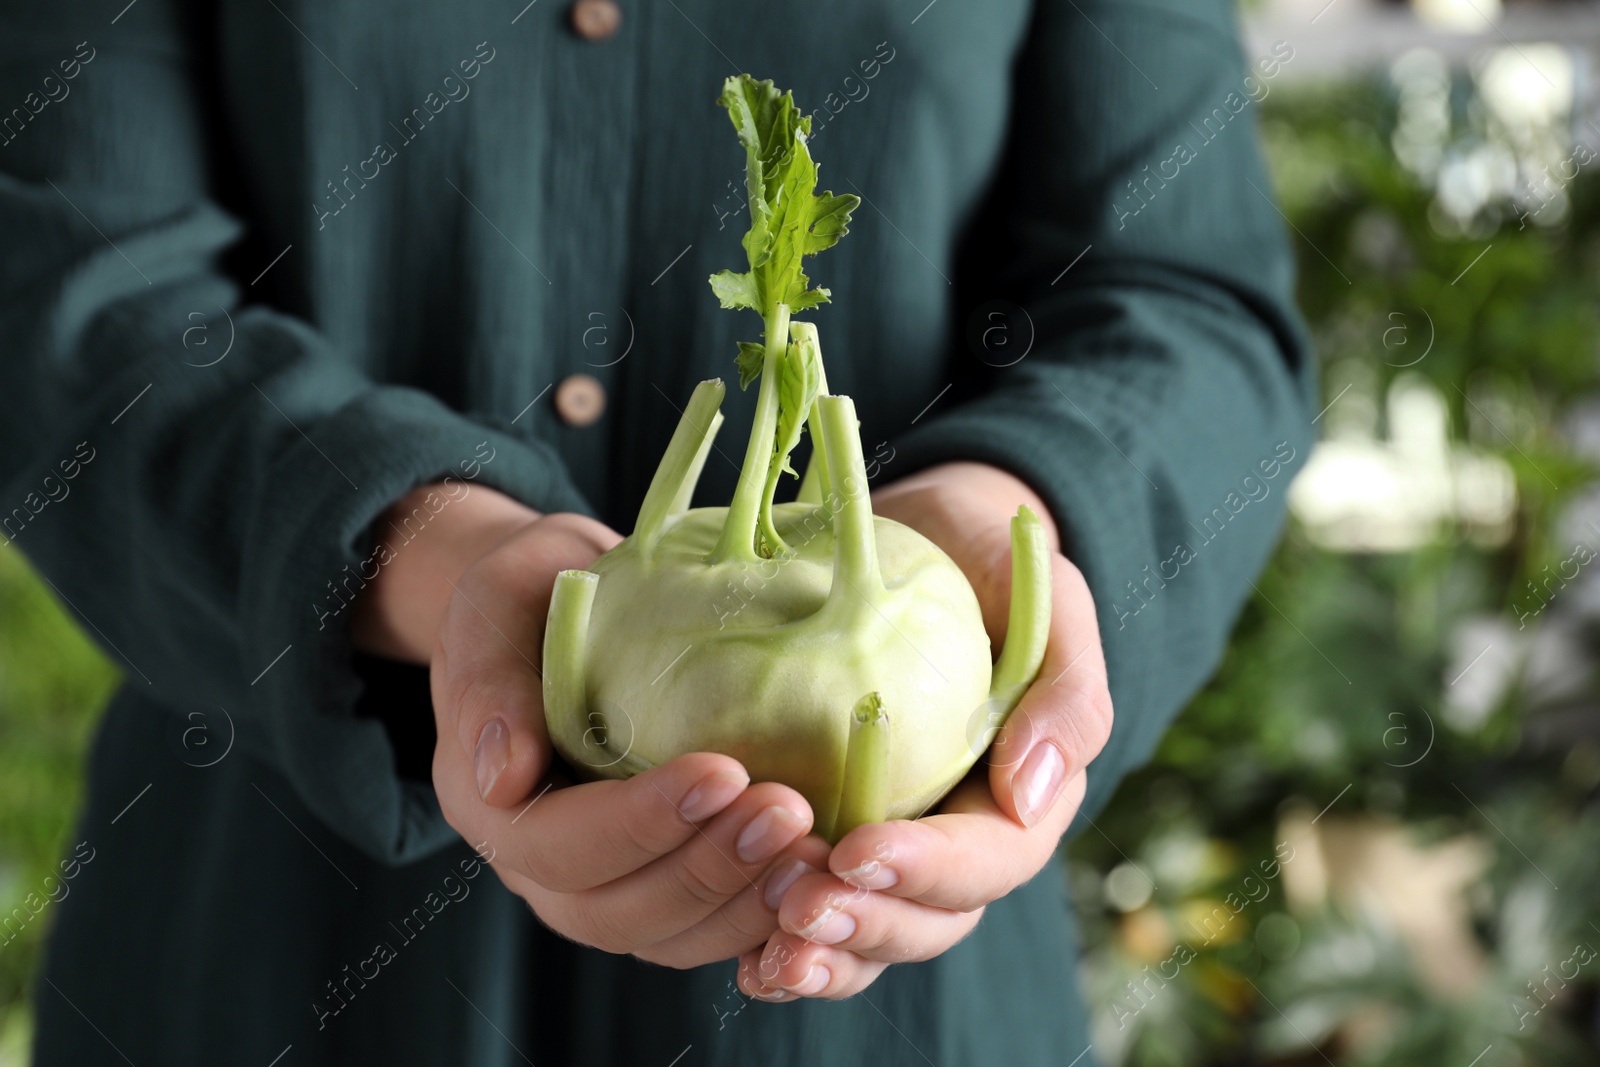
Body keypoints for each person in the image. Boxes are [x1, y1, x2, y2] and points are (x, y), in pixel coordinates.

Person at [0, 0, 1312, 1063]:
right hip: (268, 937)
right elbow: (62, 281)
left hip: (895, 986)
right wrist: (430, 553)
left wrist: (1005, 525)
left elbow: (1188, 297)